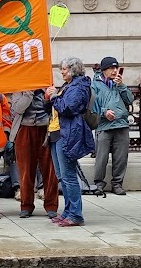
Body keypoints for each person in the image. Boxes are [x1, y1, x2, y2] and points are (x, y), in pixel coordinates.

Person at [49, 58, 92, 227]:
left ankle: (75, 214)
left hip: (67, 134)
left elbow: (68, 108)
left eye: (64, 69)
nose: (62, 72)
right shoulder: (68, 85)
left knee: (68, 176)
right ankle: (67, 211)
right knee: (62, 176)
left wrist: (53, 97)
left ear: (73, 70)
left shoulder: (78, 86)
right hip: (57, 133)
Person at [9, 89, 58, 219]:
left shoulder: (49, 88)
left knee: (50, 170)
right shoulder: (20, 89)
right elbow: (18, 109)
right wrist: (28, 93)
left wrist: (49, 96)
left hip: (46, 129)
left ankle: (51, 206)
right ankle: (26, 206)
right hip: (25, 129)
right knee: (25, 170)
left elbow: (55, 108)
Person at [92, 56, 134, 195]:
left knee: (121, 157)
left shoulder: (119, 84)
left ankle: (117, 184)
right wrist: (104, 112)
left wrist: (122, 86)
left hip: (121, 124)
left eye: (116, 68)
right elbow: (91, 104)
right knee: (101, 157)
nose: (114, 71)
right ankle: (98, 184)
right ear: (104, 70)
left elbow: (130, 99)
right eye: (111, 68)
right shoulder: (95, 84)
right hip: (104, 126)